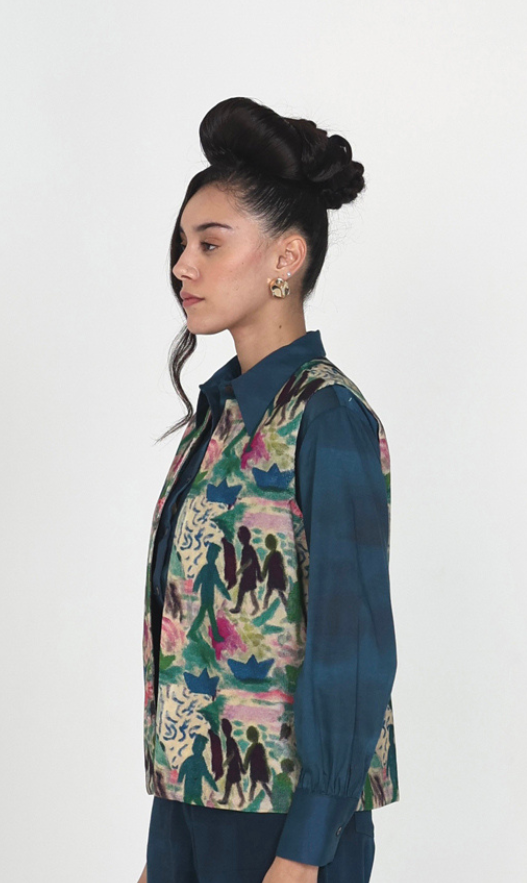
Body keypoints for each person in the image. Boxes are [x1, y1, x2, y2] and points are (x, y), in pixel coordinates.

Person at [137, 96, 399, 883]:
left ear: (285, 257)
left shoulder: (328, 418)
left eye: (210, 243)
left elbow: (352, 651)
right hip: (189, 807)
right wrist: (163, 845)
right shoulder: (217, 417)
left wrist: (304, 849)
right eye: (183, 243)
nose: (183, 266)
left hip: (284, 829)